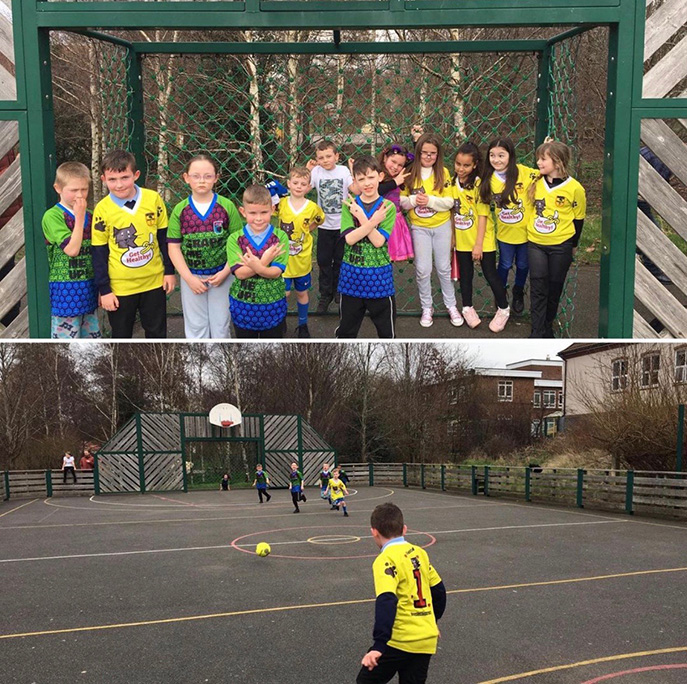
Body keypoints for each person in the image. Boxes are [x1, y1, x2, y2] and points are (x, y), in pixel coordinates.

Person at [357, 503, 446, 684]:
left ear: (374, 531)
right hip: (425, 640)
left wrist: (379, 645)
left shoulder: (385, 559)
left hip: (400, 639)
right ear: (404, 529)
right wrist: (432, 622)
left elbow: (386, 600)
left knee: (365, 681)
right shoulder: (419, 553)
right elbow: (438, 591)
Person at [92, 150, 176, 338]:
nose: (119, 184)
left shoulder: (153, 199)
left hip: (153, 282)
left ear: (136, 175)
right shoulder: (102, 209)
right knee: (121, 336)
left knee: (157, 334)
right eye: (112, 179)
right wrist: (104, 289)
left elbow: (165, 239)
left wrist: (169, 271)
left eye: (125, 177)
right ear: (103, 179)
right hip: (120, 287)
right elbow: (99, 252)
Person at [167, 153, 243, 338]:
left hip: (222, 275)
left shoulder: (226, 206)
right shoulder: (180, 210)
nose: (202, 181)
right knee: (196, 326)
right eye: (196, 176)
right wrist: (189, 278)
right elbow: (174, 247)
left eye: (208, 176)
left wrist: (226, 272)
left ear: (216, 178)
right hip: (192, 276)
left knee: (221, 325)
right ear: (186, 178)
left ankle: (222, 362)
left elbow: (238, 244)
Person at [400, 132, 463, 328]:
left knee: (444, 268)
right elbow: (401, 201)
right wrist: (412, 201)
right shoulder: (410, 173)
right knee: (423, 269)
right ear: (418, 153)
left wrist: (431, 201)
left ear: (438, 154)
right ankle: (427, 307)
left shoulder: (443, 173)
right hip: (419, 227)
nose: (428, 156)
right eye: (424, 152)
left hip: (442, 226)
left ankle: (451, 305)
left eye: (433, 153)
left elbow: (450, 201)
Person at [527, 139, 586, 338]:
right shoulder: (535, 179)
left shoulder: (575, 188)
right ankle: (536, 331)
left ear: (558, 162)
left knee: (554, 288)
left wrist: (574, 245)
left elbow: (579, 219)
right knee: (537, 286)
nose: (539, 163)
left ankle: (546, 327)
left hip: (561, 245)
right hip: (536, 243)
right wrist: (545, 145)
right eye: (538, 159)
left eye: (543, 159)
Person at [336, 156, 397, 339]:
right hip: (351, 279)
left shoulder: (388, 207)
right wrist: (372, 222)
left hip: (379, 280)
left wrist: (362, 218)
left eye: (370, 177)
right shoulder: (349, 206)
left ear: (380, 176)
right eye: (361, 179)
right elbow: (350, 239)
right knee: (346, 331)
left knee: (386, 332)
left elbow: (379, 242)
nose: (367, 183)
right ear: (355, 181)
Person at [452, 143, 510, 332]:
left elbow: (483, 217)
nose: (461, 169)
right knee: (465, 276)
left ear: (475, 165)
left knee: (490, 275)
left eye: (466, 165)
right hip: (462, 240)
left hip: (482, 240)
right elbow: (452, 212)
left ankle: (503, 308)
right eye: (458, 164)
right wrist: (453, 237)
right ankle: (467, 308)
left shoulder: (479, 185)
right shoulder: (452, 183)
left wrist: (478, 245)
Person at [479, 137, 538, 319]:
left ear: (510, 156)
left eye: (501, 155)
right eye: (492, 155)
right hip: (505, 235)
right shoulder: (488, 179)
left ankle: (518, 291)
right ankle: (501, 291)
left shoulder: (524, 173)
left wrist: (547, 148)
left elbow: (546, 171)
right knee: (504, 264)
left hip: (526, 234)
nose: (496, 160)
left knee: (523, 265)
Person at [41, 162, 101, 339]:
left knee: (92, 339)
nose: (80, 195)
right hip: (66, 291)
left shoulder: (91, 215)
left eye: (84, 189)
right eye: (74, 190)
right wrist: (80, 216)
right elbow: (72, 249)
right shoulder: (52, 216)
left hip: (89, 287)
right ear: (58, 188)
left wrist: (100, 287)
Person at [226, 185, 289, 338]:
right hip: (244, 309)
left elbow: (275, 272)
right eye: (252, 213)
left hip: (272, 307)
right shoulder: (235, 239)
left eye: (264, 212)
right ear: (243, 212)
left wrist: (255, 266)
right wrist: (265, 260)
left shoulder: (280, 237)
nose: (259, 218)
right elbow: (240, 274)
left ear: (272, 209)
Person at [306, 140, 358, 313]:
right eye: (321, 157)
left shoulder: (342, 171)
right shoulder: (316, 172)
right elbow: (303, 189)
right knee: (323, 261)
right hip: (324, 226)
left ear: (337, 156)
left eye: (329, 156)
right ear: (316, 159)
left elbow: (356, 190)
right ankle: (325, 295)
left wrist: (352, 170)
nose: (325, 160)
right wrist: (308, 171)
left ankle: (338, 291)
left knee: (341, 260)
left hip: (342, 225)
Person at [275, 166, 325, 338]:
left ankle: (303, 324)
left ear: (308, 187)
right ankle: (279, 322)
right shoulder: (281, 203)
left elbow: (319, 220)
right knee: (284, 293)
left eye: (303, 184)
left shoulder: (312, 207)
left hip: (302, 259)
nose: (298, 186)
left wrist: (307, 230)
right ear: (289, 184)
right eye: (295, 182)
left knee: (302, 293)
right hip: (283, 259)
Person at [376, 143, 414, 262]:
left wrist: (416, 141)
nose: (395, 167)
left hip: (393, 222)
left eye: (400, 165)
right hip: (377, 222)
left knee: (388, 259)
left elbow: (418, 162)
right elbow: (375, 191)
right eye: (393, 161)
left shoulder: (401, 178)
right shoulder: (376, 174)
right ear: (385, 158)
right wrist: (394, 182)